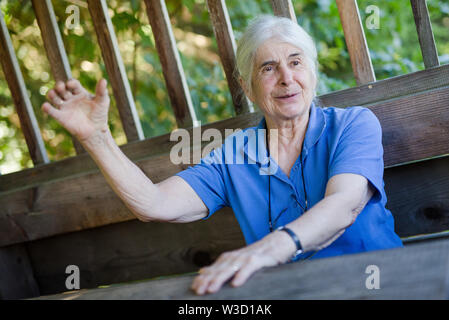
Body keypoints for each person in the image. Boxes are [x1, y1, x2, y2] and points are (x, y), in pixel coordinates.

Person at [42, 15, 402, 295]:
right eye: (268, 68)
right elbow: (153, 203)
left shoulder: (353, 125)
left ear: (313, 72)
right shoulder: (234, 153)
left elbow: (345, 205)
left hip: (383, 282)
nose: (285, 78)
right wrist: (98, 138)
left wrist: (266, 251)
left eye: (295, 62)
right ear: (247, 86)